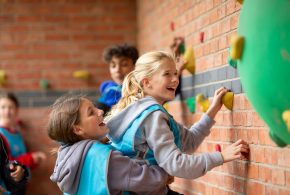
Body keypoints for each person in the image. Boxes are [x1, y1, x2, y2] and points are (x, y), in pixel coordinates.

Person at [106, 51, 249, 181]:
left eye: (175, 73)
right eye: (167, 74)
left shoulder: (138, 112)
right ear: (146, 82)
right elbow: (177, 164)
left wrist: (213, 110)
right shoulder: (152, 116)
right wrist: (222, 156)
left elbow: (189, 142)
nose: (175, 79)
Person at [47, 95, 171, 195]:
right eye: (91, 112)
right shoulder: (104, 157)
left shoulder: (65, 156)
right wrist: (166, 172)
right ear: (78, 129)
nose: (100, 111)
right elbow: (148, 181)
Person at [0, 92, 47, 194]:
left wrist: (33, 161)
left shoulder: (16, 133)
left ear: (16, 111)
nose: (7, 111)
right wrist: (31, 158)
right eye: (3, 107)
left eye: (10, 107)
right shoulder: (1, 136)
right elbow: (7, 164)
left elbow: (20, 159)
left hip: (20, 187)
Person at [95, 44, 139, 115]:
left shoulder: (137, 89)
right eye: (113, 66)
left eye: (124, 64)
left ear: (134, 66)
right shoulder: (107, 87)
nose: (117, 70)